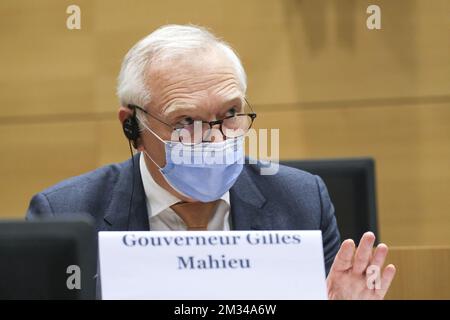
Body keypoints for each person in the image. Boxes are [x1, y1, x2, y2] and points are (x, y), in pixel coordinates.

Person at [26, 24, 395, 299]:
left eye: (231, 112)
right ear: (132, 127)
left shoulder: (301, 200)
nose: (217, 139)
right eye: (187, 121)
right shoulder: (65, 214)